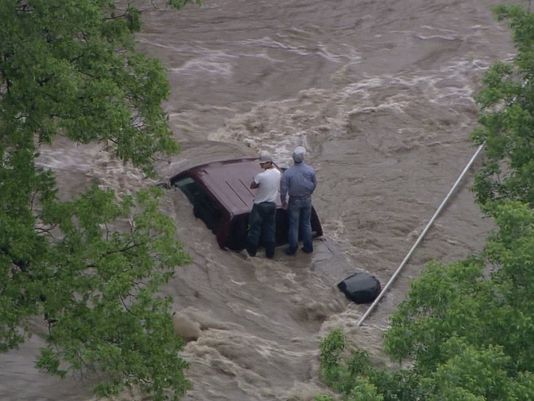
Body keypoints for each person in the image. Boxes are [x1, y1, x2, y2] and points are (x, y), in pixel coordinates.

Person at [280, 146, 317, 255]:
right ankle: (308, 247)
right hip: (307, 199)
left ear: (293, 158)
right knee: (306, 223)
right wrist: (309, 193)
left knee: (294, 225)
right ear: (303, 157)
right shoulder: (310, 170)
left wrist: (283, 202)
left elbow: (283, 190)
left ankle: (293, 248)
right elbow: (314, 184)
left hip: (294, 200)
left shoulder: (288, 173)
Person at [246, 150, 281, 258]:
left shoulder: (260, 176)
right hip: (271, 205)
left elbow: (252, 186)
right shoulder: (278, 173)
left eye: (262, 163)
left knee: (254, 230)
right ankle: (270, 254)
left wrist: (255, 181)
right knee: (270, 230)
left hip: (259, 206)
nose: (261, 165)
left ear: (269, 162)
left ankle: (251, 254)